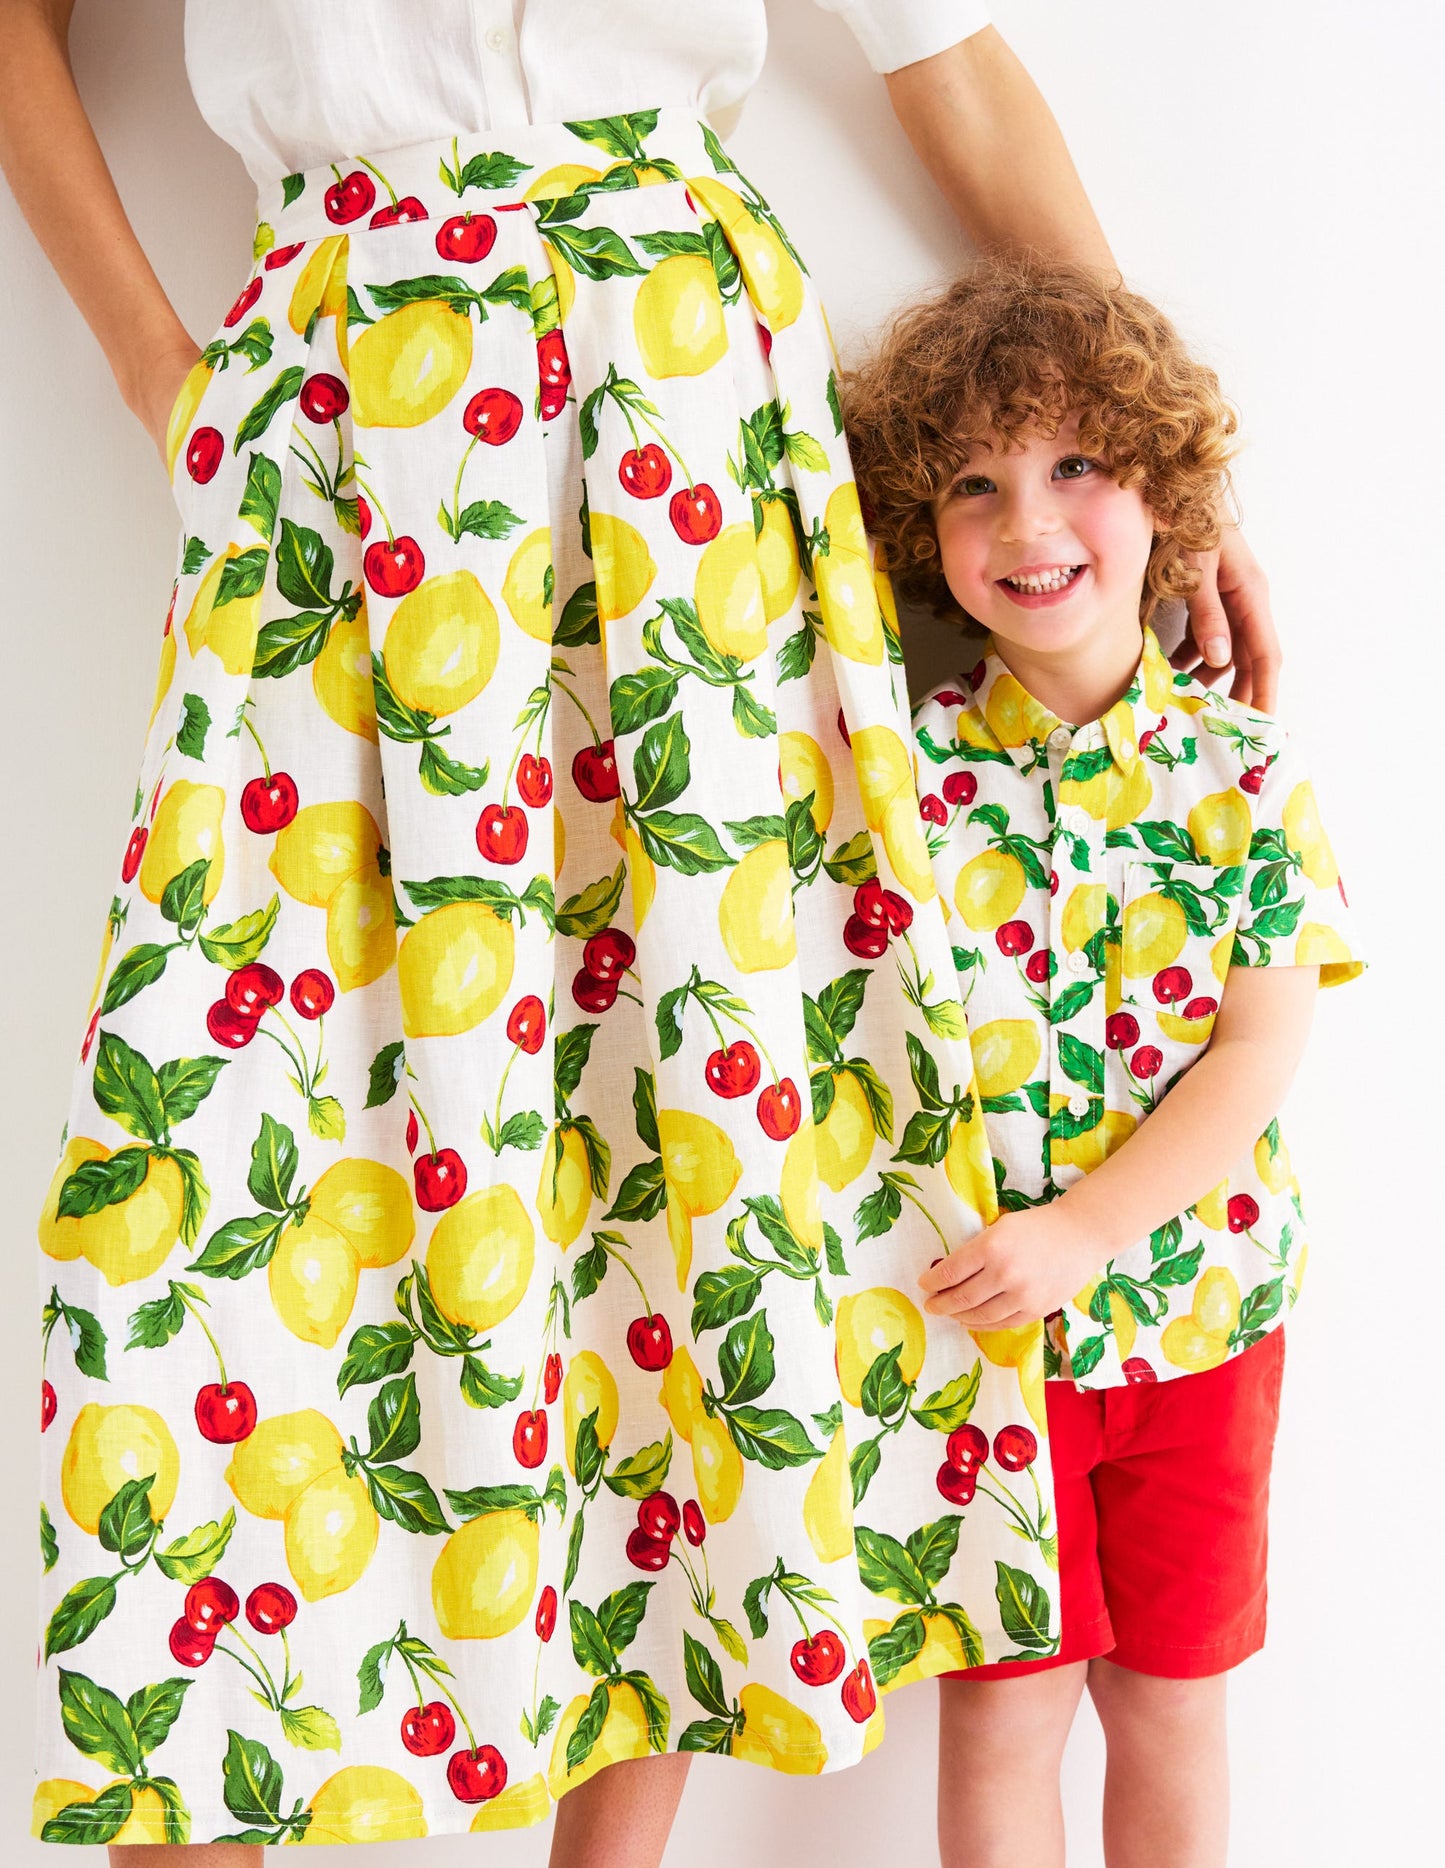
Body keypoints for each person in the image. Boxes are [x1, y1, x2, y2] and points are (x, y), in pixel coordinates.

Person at [1, 6, 1281, 1867]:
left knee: (677, 1122)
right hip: (337, 414)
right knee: (214, 1154)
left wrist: (1172, 476)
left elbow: (946, 58)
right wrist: (154, 370)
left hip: (680, 417)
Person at [842, 253, 1364, 1868]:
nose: (1026, 523)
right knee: (1003, 1716)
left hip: (1202, 1328)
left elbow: (1260, 1048)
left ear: (1164, 501)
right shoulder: (895, 784)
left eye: (1074, 465)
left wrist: (1088, 1230)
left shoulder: (1243, 773)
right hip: (983, 1348)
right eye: (974, 486)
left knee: (1169, 1703)